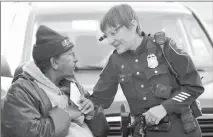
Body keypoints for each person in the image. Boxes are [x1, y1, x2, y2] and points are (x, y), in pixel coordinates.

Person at [88, 4, 204, 137]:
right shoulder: (115, 60)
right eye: (106, 36)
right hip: (144, 132)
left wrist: (164, 108)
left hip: (180, 131)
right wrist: (88, 104)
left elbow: (194, 87)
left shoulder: (164, 47)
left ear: (133, 25)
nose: (109, 40)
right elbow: (100, 98)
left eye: (114, 33)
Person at [1, 25, 95, 137]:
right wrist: (66, 114)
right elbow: (32, 133)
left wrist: (91, 112)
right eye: (70, 54)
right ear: (54, 63)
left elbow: (101, 129)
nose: (76, 59)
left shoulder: (71, 84)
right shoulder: (20, 92)